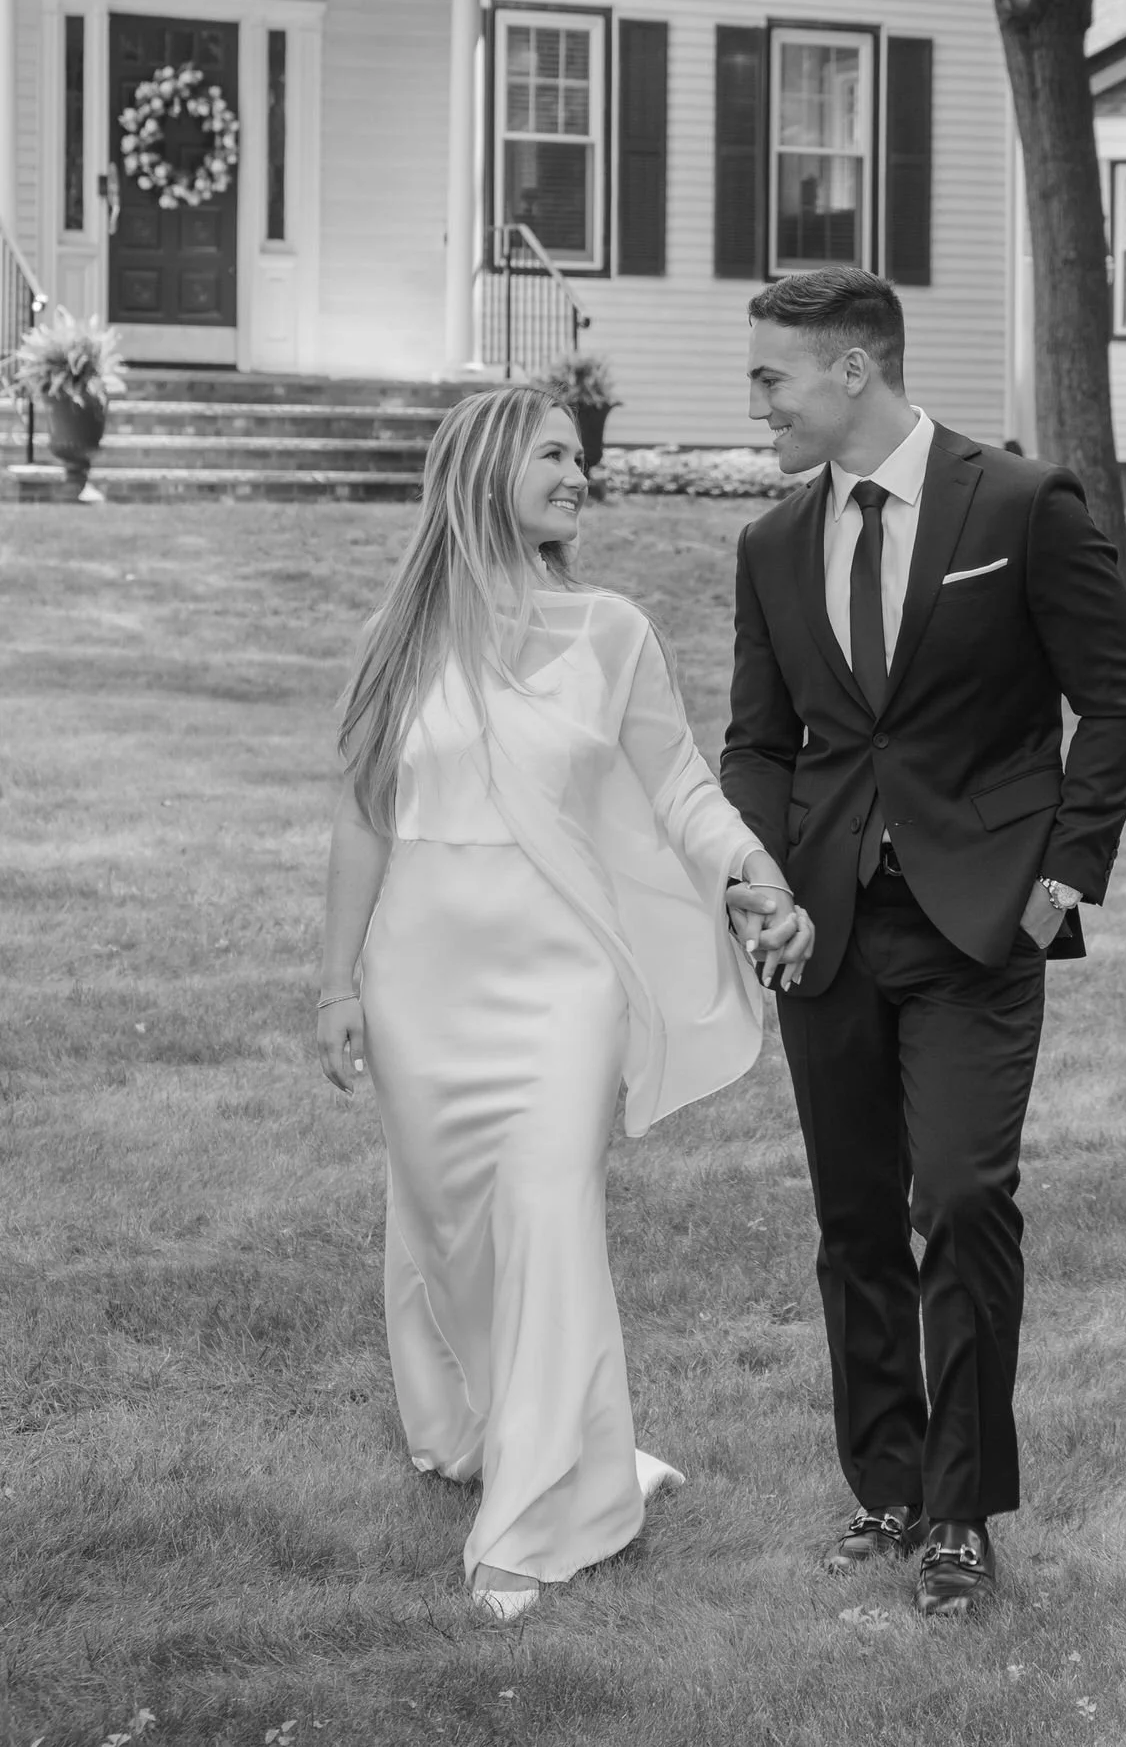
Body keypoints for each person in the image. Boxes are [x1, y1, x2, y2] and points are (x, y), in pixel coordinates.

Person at [317, 385, 813, 1623]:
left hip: (566, 985)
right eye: (552, 453)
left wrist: (752, 868)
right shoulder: (399, 638)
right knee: (452, 1233)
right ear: (487, 470)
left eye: (580, 456)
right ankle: (532, 1437)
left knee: (548, 1212)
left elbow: (681, 784)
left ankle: (538, 1522)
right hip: (423, 985)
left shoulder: (612, 631)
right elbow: (363, 818)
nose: (577, 472)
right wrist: (336, 982)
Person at [720, 270, 1126, 1621]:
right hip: (828, 928)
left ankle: (962, 1510)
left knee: (962, 1200)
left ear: (852, 369)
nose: (759, 404)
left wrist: (1061, 883)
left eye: (772, 377)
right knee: (855, 1218)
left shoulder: (1021, 505)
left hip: (982, 923)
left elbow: (1119, 703)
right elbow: (759, 742)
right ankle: (890, 1488)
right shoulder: (773, 544)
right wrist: (764, 881)